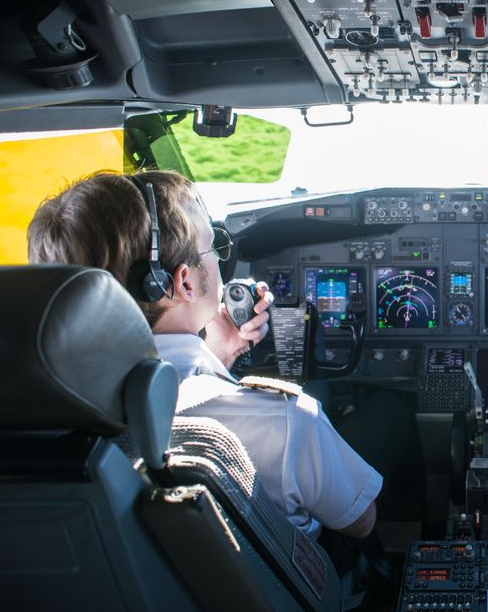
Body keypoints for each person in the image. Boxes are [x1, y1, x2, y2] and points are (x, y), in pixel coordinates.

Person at [27, 170, 411, 575]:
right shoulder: (286, 423)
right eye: (213, 249)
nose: (219, 260)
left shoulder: (26, 423)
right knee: (388, 410)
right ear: (185, 283)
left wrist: (219, 354)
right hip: (298, 575)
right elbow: (360, 518)